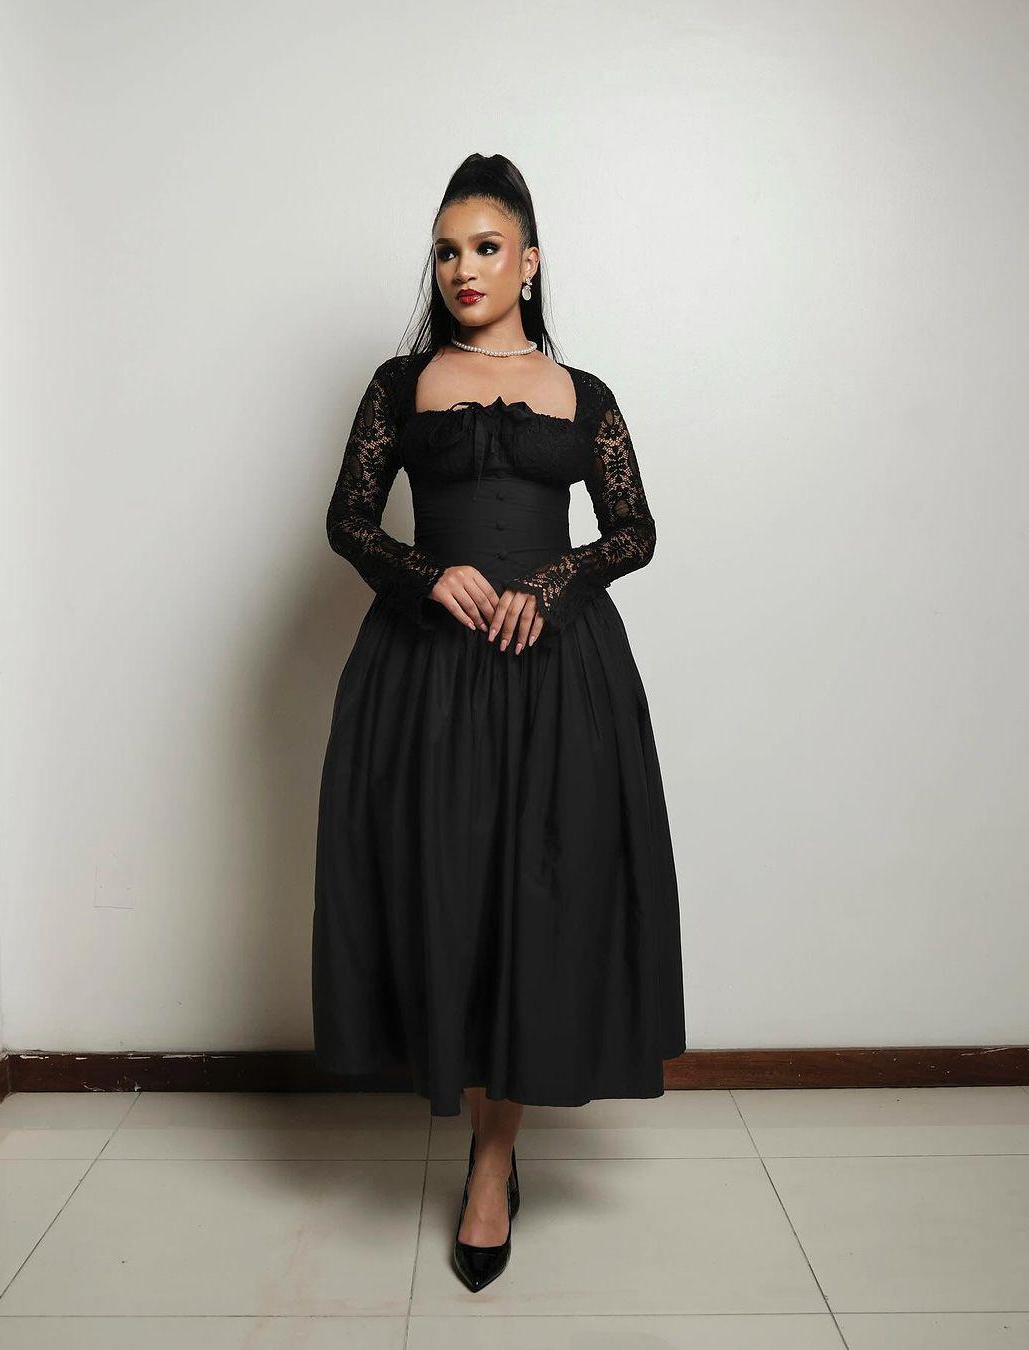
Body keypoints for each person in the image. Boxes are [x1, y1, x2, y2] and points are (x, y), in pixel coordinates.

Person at [312, 153, 686, 1292]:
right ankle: (472, 1117)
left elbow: (634, 529)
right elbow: (347, 519)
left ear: (529, 262)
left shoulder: (587, 395)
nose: (462, 268)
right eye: (445, 249)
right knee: (453, 896)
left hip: (555, 675)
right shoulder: (400, 384)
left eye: (485, 247)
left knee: (539, 900)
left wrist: (557, 580)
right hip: (427, 673)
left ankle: (492, 1159)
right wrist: (427, 573)